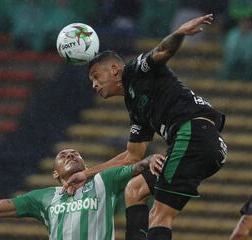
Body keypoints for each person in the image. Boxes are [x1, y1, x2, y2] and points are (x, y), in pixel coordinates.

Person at [63, 14, 228, 240]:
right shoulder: (135, 105)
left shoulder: (134, 71)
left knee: (159, 217)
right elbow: (133, 156)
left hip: (193, 135)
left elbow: (162, 52)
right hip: (201, 143)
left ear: (113, 69)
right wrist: (86, 173)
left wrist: (179, 34)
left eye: (95, 76)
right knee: (135, 190)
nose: (93, 84)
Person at [0, 148, 152, 239]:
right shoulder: (44, 197)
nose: (69, 154)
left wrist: (148, 162)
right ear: (55, 173)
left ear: (85, 164)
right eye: (63, 154)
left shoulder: (103, 181)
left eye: (75, 154)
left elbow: (136, 163)